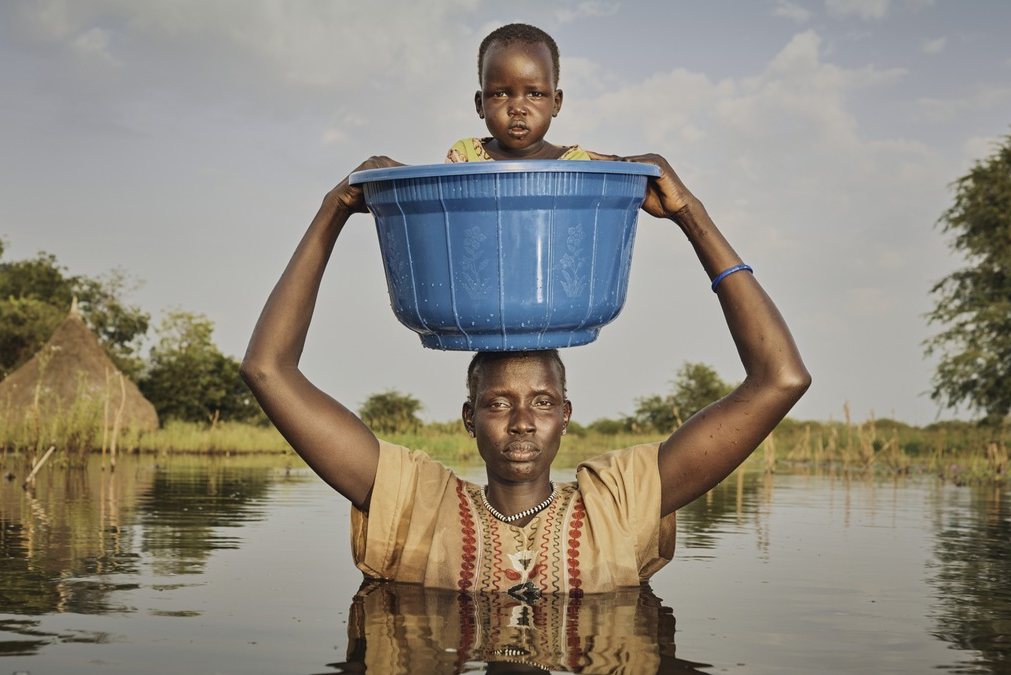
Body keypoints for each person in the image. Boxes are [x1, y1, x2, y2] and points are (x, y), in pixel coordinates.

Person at [240, 27, 809, 599]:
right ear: (468, 417)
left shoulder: (622, 504)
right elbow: (267, 371)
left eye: (541, 402)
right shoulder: (414, 502)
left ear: (565, 413)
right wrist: (332, 209)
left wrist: (692, 216)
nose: (521, 421)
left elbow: (781, 379)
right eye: (497, 403)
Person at [446, 24, 590, 163]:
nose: (517, 109)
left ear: (556, 103)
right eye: (500, 94)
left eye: (535, 94)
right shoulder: (466, 156)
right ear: (480, 104)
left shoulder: (574, 162)